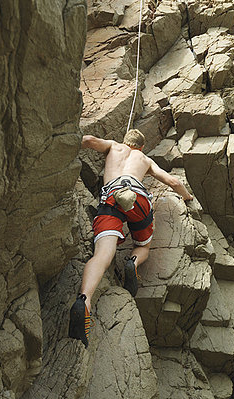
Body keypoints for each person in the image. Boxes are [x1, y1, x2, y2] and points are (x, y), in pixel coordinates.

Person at [69, 129, 193, 346]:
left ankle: (84, 301)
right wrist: (188, 196)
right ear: (142, 147)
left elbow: (88, 140)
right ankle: (133, 262)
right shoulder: (144, 159)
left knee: (103, 256)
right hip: (136, 199)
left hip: (110, 200)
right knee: (143, 245)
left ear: (125, 141)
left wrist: (64, 147)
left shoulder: (113, 146)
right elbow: (172, 181)